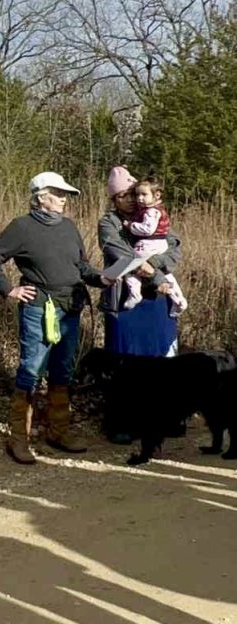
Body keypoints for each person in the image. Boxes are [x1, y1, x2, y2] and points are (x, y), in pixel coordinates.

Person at [0, 171, 108, 465]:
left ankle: (58, 431)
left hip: (71, 305)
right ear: (40, 197)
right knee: (31, 368)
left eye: (65, 194)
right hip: (39, 306)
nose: (64, 199)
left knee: (62, 369)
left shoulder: (68, 227)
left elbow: (81, 266)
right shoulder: (21, 227)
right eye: (58, 193)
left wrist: (103, 279)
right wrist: (9, 289)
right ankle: (19, 439)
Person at [98, 166, 183, 442]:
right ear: (114, 199)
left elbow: (174, 248)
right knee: (126, 361)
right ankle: (123, 422)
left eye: (134, 193)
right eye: (125, 195)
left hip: (157, 298)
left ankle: (164, 418)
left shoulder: (152, 215)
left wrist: (154, 268)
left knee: (162, 358)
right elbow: (119, 253)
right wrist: (153, 273)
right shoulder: (109, 223)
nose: (132, 199)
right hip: (125, 300)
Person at [122, 177, 187, 315]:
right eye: (137, 194)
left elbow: (147, 229)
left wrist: (130, 225)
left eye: (143, 195)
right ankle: (178, 299)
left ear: (156, 195)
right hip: (159, 243)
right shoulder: (157, 209)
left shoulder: (151, 211)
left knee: (129, 266)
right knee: (165, 273)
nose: (139, 198)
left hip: (149, 242)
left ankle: (134, 293)